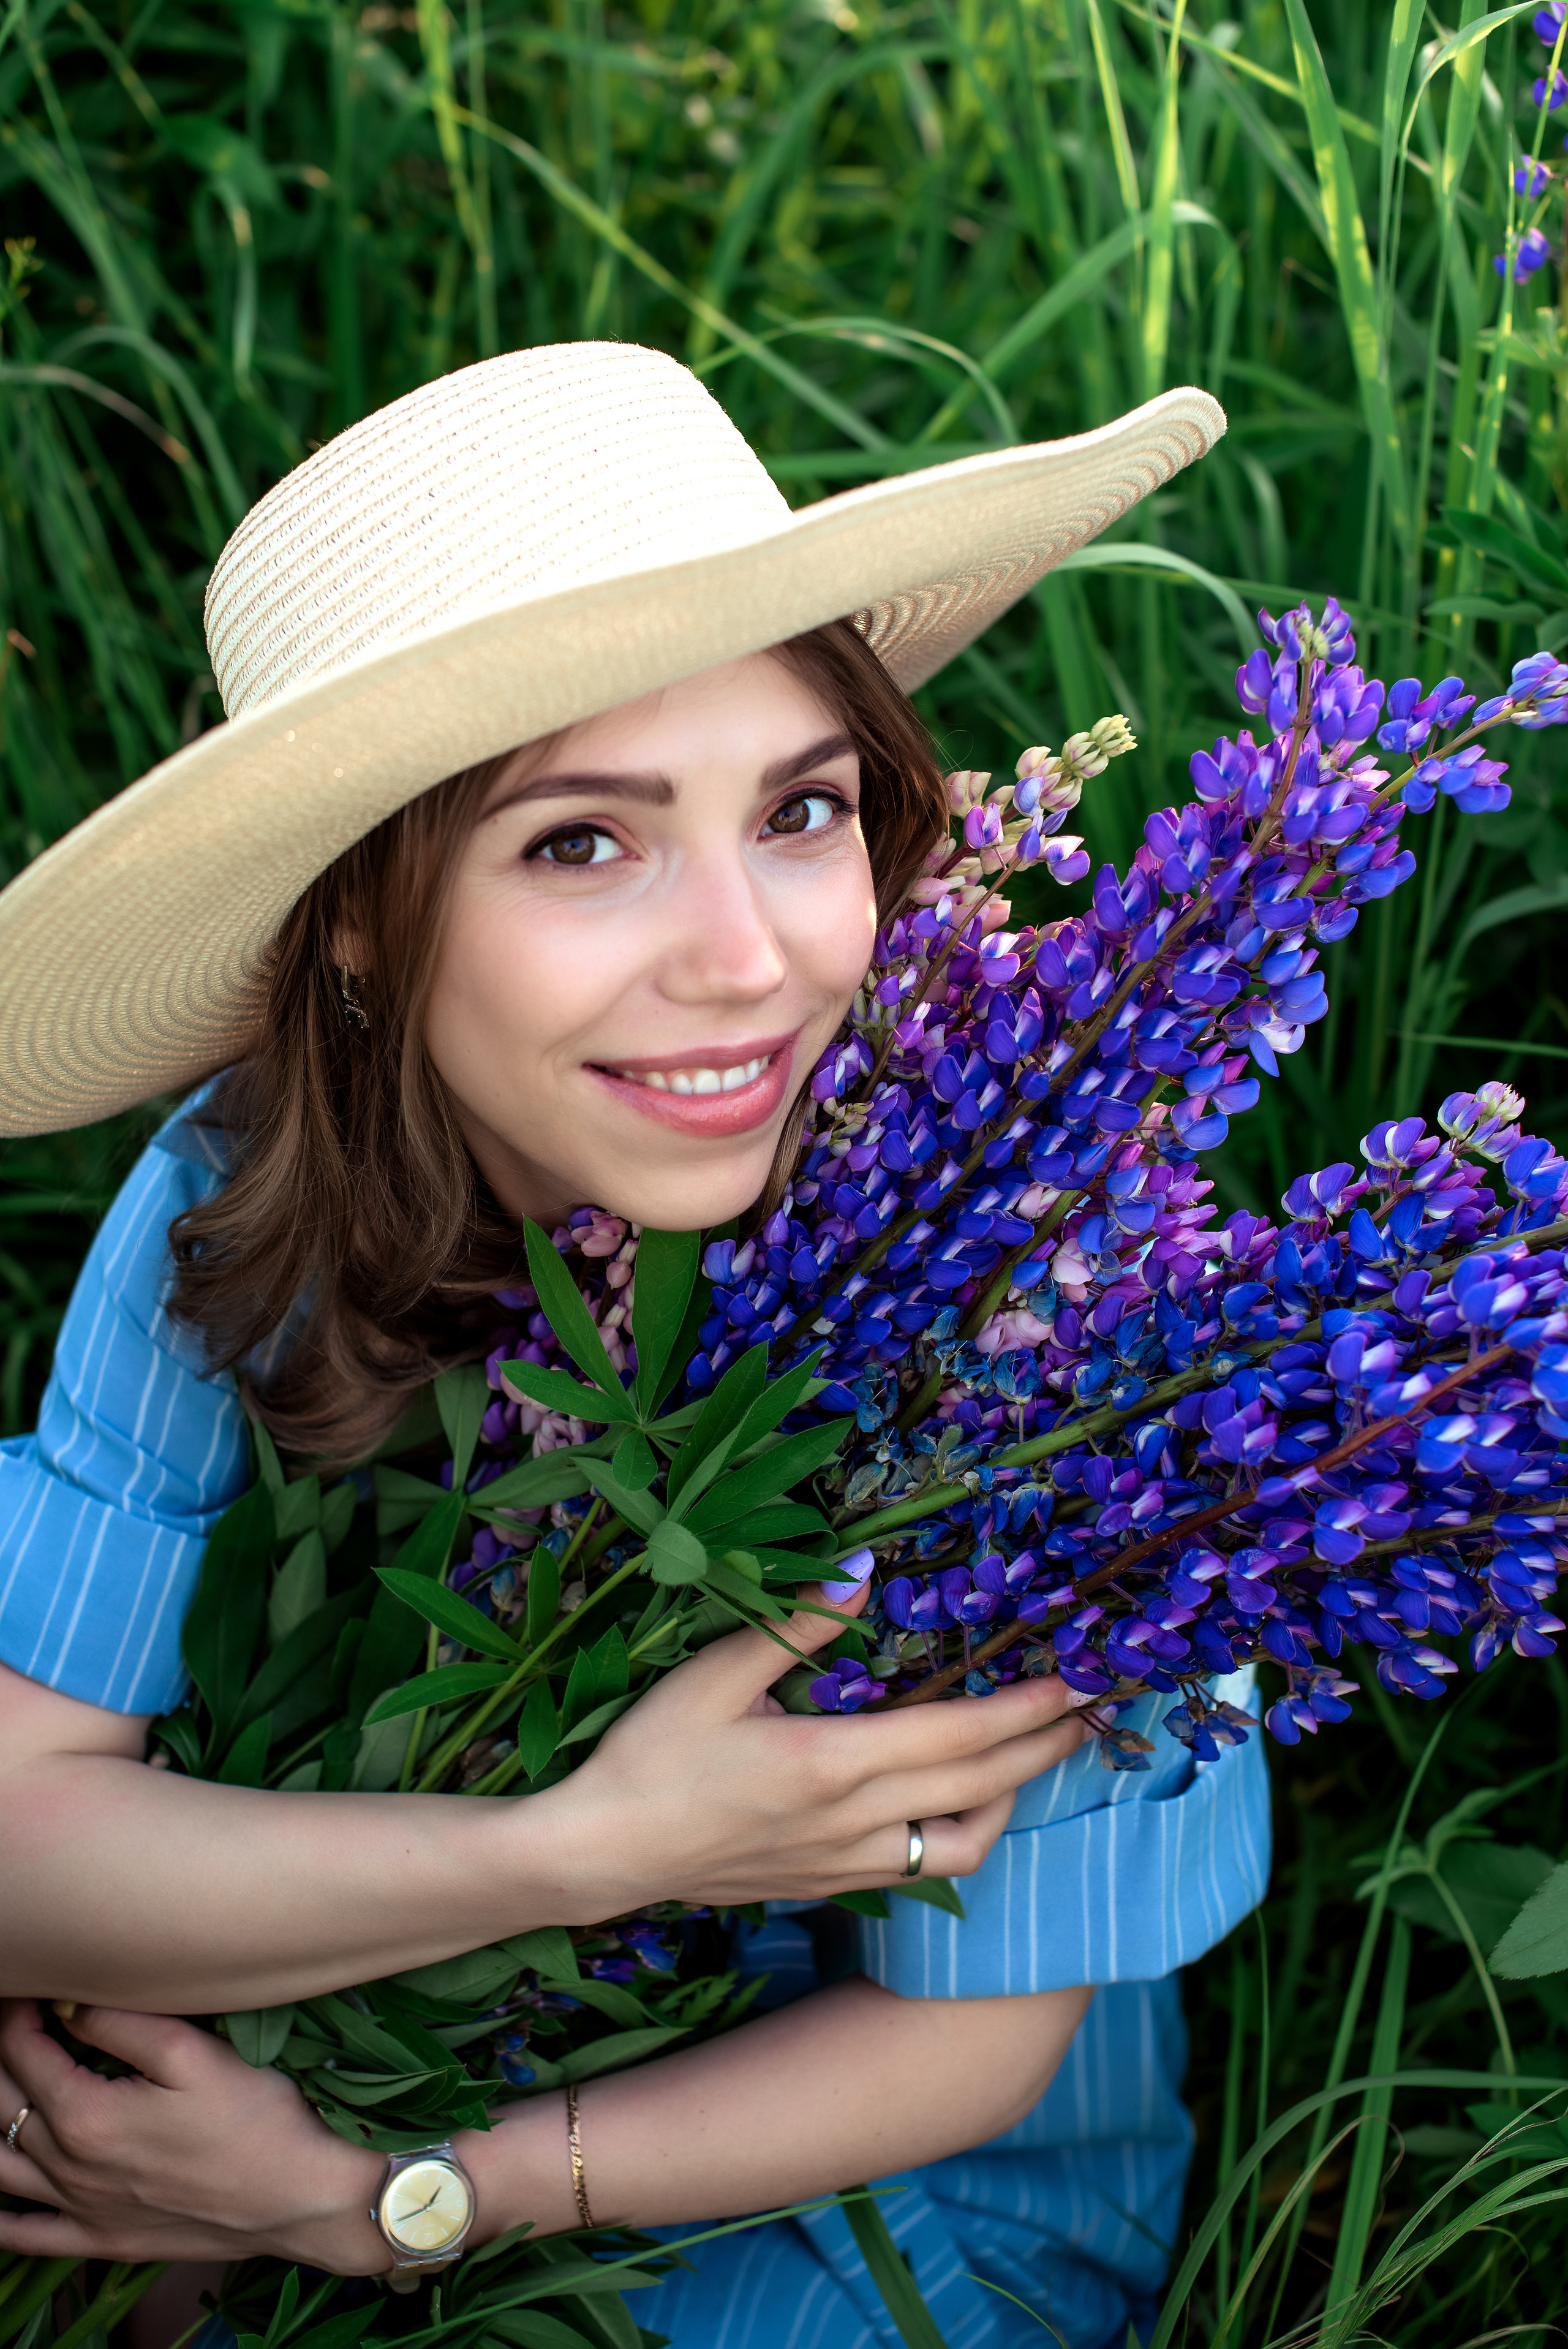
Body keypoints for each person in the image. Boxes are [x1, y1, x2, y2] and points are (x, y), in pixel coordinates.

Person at [0, 343, 1267, 2348]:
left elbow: (979, 2047)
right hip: (366, 2094)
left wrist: (392, 2201)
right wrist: (587, 1847)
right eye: (583, 840)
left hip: (876, 2207)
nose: (750, 956)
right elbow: (21, 1840)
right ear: (359, 917)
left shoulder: (1043, 1254)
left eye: (802, 808)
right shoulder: (243, 1191)